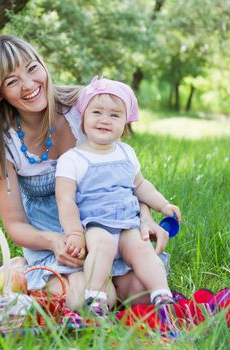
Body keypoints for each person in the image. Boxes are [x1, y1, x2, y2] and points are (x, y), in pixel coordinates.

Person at [0, 35, 171, 310]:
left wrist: (145, 216)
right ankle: (24, 270)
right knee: (85, 298)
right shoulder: (3, 141)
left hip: (103, 225)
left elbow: (122, 172)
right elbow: (15, 223)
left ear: (43, 66)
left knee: (141, 293)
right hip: (53, 240)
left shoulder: (84, 106)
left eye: (32, 68)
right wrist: (56, 242)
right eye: (12, 81)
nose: (29, 85)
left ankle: (102, 278)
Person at [55, 76, 182, 313]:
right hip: (96, 226)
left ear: (125, 123)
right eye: (97, 112)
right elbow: (65, 200)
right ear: (83, 117)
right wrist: (74, 233)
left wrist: (163, 205)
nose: (105, 120)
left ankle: (162, 296)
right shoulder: (72, 159)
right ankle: (95, 298)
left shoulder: (126, 152)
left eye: (115, 115)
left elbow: (141, 185)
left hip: (127, 226)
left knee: (142, 248)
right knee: (101, 245)